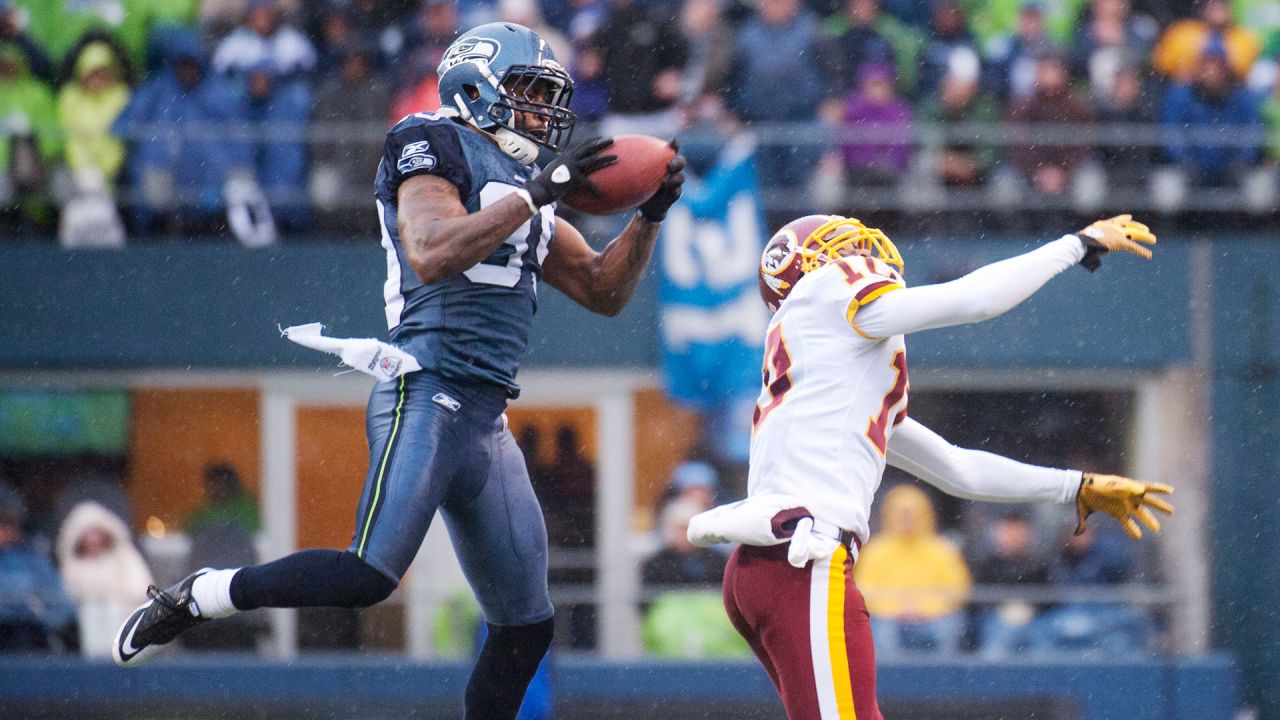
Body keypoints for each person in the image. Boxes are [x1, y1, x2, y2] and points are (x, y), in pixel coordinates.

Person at [113, 22, 685, 720]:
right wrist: (536, 194)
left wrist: (649, 213)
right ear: (477, 87)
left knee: (526, 626)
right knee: (367, 575)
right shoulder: (431, 142)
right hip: (425, 387)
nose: (543, 113)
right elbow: (431, 248)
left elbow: (602, 290)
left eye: (548, 96)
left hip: (485, 416)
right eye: (530, 93)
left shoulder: (528, 188)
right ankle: (203, 593)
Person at [687, 213, 1173, 719]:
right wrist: (1075, 244)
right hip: (801, 559)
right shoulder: (829, 291)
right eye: (849, 248)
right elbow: (974, 300)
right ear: (815, 265)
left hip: (767, 563)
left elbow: (958, 470)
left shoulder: (837, 376)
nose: (866, 255)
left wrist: (1073, 487)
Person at [855, 484, 970, 656]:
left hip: (935, 617)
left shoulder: (943, 550)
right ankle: (888, 678)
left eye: (912, 513)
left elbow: (958, 590)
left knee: (948, 628)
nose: (906, 519)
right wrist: (897, 608)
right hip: (888, 618)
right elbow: (863, 591)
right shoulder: (875, 550)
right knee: (883, 632)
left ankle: (944, 677)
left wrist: (923, 608)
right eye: (900, 513)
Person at [54, 501, 153, 658]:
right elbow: (67, 596)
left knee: (112, 611)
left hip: (126, 618)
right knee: (92, 612)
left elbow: (141, 589)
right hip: (83, 624)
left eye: (97, 533)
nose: (94, 540)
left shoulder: (125, 557)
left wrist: (114, 599)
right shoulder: (72, 564)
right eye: (88, 535)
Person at [0, 482, 76, 652]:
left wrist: (34, 611)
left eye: (8, 523)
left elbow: (64, 610)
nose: (5, 531)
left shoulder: (34, 560)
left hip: (29, 649)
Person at [185, 463, 260, 537]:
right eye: (213, 485)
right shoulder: (203, 512)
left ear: (233, 485)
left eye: (221, 484)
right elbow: (186, 536)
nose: (217, 489)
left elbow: (256, 535)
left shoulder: (249, 508)